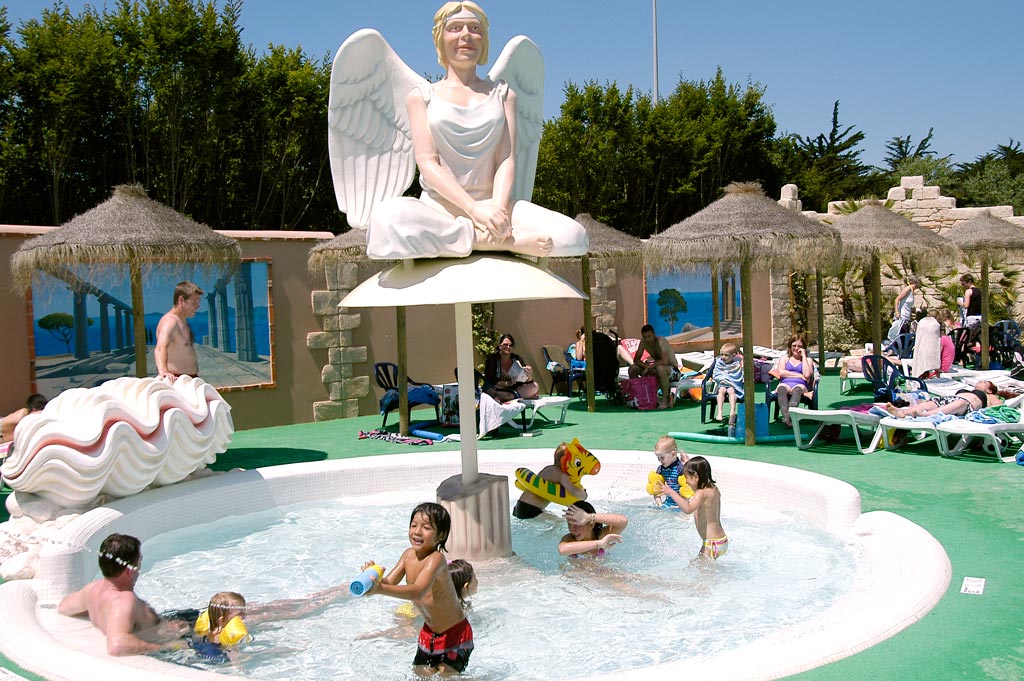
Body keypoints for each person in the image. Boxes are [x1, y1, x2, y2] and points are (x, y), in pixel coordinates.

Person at [364, 2, 588, 260]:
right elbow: (427, 163)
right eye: (455, 28)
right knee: (385, 222)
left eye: (474, 28)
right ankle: (495, 241)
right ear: (440, 37)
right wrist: (474, 211)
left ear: (484, 39)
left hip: (496, 204)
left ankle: (475, 237)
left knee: (574, 237)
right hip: (440, 209)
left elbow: (506, 158)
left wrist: (497, 210)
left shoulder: (503, 94)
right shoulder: (422, 97)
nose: (465, 36)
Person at [362, 502, 473, 676]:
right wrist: (374, 578)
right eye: (413, 525)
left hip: (455, 633)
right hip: (429, 632)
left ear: (441, 535)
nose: (417, 532)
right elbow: (390, 582)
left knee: (447, 676)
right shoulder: (408, 556)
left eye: (426, 527)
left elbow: (418, 590)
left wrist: (380, 588)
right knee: (421, 675)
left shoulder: (436, 560)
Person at [57, 533, 188, 656]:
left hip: (166, 629)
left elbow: (63, 607)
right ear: (129, 571)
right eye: (139, 562)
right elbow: (117, 646)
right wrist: (167, 647)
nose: (140, 568)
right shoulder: (124, 600)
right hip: (164, 647)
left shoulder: (93, 589)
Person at [189, 584, 350, 662]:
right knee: (296, 607)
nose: (244, 616)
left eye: (244, 611)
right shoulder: (217, 644)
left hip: (245, 619)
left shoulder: (216, 629)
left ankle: (341, 589)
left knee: (297, 609)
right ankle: (342, 590)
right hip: (243, 621)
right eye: (241, 614)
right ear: (222, 620)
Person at [657, 456, 728, 560]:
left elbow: (688, 509)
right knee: (696, 567)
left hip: (711, 545)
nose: (686, 482)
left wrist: (671, 492)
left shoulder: (701, 494)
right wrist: (688, 464)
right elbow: (697, 486)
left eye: (687, 478)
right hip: (720, 541)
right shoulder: (713, 489)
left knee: (701, 574)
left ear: (696, 476)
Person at [513, 441, 587, 519]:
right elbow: (574, 491)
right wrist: (584, 495)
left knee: (557, 520)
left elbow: (564, 497)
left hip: (520, 506)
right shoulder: (560, 475)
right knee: (560, 523)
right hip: (530, 510)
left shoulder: (549, 469)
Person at [155, 281, 203, 380]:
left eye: (198, 303)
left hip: (190, 379)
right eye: (194, 302)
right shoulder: (170, 322)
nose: (198, 306)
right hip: (177, 380)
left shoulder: (182, 321)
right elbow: (160, 348)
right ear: (181, 300)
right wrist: (163, 372)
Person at [627, 324, 680, 410]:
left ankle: (665, 400)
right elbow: (636, 360)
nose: (647, 339)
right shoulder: (643, 343)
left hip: (673, 371)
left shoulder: (661, 342)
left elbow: (664, 361)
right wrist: (645, 366)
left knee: (660, 368)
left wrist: (648, 368)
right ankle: (638, 398)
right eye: (645, 337)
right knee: (633, 368)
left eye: (649, 336)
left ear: (654, 335)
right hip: (655, 368)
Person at [884, 380, 1000, 418]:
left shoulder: (988, 395)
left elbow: (998, 405)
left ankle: (925, 415)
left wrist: (987, 409)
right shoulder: (967, 390)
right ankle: (902, 411)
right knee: (930, 403)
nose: (981, 381)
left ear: (989, 390)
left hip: (966, 405)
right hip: (950, 399)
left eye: (985, 382)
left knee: (959, 403)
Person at [770, 334, 815, 428]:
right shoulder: (785, 358)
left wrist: (803, 355)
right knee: (781, 390)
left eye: (799, 346)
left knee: (797, 391)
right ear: (790, 346)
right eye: (794, 346)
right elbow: (781, 373)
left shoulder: (808, 360)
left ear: (804, 348)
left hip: (801, 384)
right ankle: (786, 417)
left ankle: (788, 417)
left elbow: (807, 375)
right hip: (785, 383)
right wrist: (799, 375)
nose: (796, 348)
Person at [558, 500, 628, 558]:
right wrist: (599, 544)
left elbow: (623, 521)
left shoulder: (601, 536)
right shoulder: (570, 539)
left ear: (591, 524)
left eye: (577, 525)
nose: (573, 529)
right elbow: (562, 549)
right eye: (569, 524)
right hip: (576, 573)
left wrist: (589, 517)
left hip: (602, 571)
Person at [484, 333, 539, 402]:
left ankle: (509, 398)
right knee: (491, 392)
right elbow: (491, 379)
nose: (508, 347)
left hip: (514, 389)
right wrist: (508, 383)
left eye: (511, 345)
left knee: (534, 386)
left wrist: (529, 375)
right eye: (505, 344)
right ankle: (519, 397)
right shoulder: (493, 359)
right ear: (500, 346)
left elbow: (526, 381)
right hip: (498, 389)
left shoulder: (516, 358)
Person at [651, 435, 693, 510]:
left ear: (673, 454)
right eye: (658, 457)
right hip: (667, 504)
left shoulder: (680, 469)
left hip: (682, 504)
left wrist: (681, 506)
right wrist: (660, 504)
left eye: (662, 457)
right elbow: (655, 490)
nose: (659, 460)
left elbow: (688, 491)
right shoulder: (661, 469)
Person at [712, 342, 744, 429]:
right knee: (721, 390)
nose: (723, 357)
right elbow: (716, 374)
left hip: (733, 383)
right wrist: (724, 379)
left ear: (733, 355)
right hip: (722, 383)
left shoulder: (737, 363)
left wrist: (730, 380)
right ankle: (719, 412)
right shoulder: (719, 362)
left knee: (731, 391)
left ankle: (732, 412)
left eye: (726, 355)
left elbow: (738, 374)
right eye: (722, 354)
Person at [890, 275, 921, 340]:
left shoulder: (912, 291)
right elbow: (897, 299)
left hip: (906, 318)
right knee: (901, 338)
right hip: (901, 318)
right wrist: (896, 312)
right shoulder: (908, 289)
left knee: (905, 338)